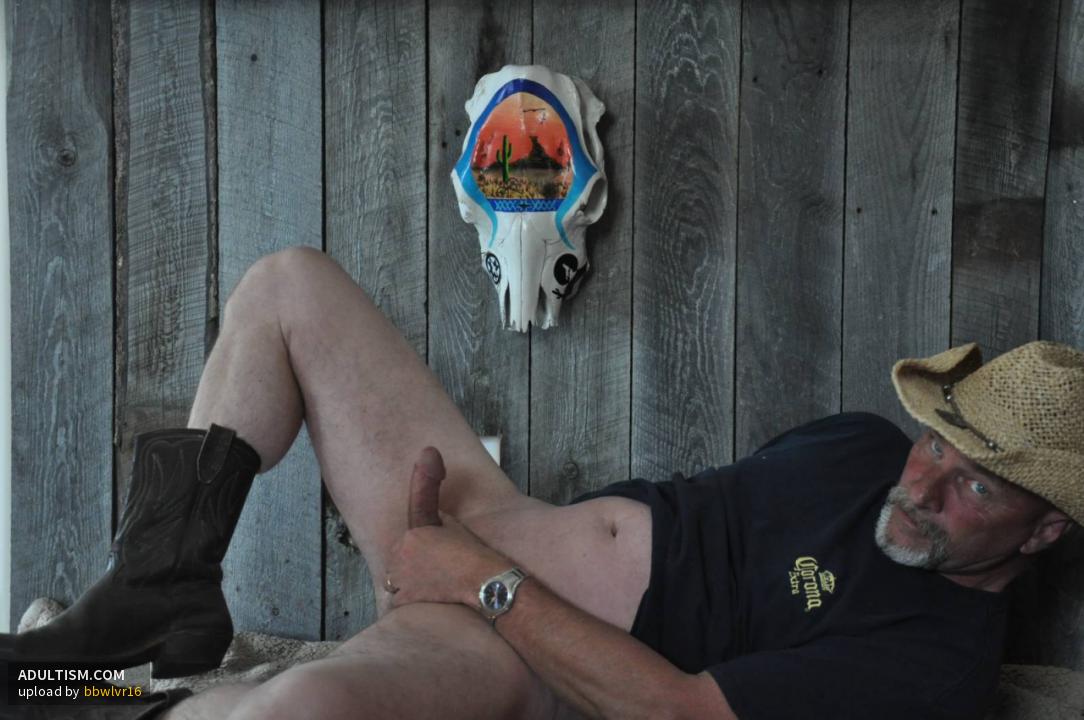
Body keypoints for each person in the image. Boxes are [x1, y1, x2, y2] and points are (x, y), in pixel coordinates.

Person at [4, 246, 1081, 720]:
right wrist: (469, 545)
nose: (927, 482)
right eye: (939, 441)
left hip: (513, 648)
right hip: (473, 523)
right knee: (289, 287)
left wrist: (480, 582)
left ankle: (93, 699)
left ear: (1041, 533)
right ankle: (158, 596)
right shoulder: (858, 448)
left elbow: (673, 711)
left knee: (302, 709)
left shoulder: (935, 666)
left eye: (980, 486)